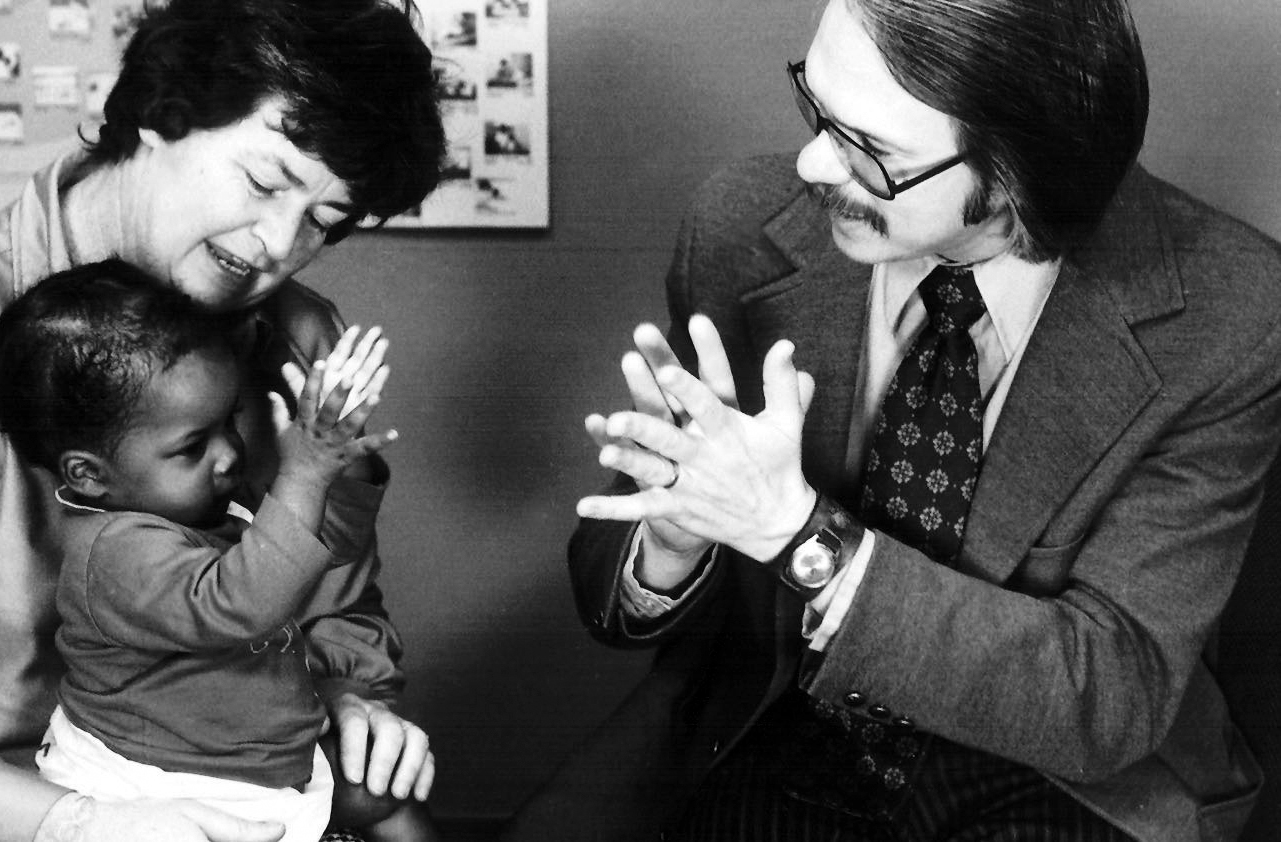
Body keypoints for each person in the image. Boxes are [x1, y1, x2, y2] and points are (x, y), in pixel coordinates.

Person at [505, 0, 1281, 840]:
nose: (810, 163)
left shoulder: (1231, 312)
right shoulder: (738, 229)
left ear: (1015, 178)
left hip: (1063, 773)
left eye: (869, 152)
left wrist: (797, 534)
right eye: (817, 109)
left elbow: (1109, 689)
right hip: (784, 720)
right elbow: (615, 597)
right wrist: (676, 536)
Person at [0, 1, 446, 840]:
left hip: (258, 788)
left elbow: (338, 604)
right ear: (160, 115)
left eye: (323, 220)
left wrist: (355, 698)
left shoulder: (300, 332)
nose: (279, 242)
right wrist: (78, 824)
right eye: (265, 180)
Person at [0, 261, 424, 842]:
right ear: (89, 475)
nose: (228, 455)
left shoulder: (203, 510)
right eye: (193, 446)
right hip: (159, 793)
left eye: (229, 421)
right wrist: (306, 472)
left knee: (393, 799)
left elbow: (322, 551)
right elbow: (241, 601)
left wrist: (338, 466)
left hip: (254, 773)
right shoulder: (112, 552)